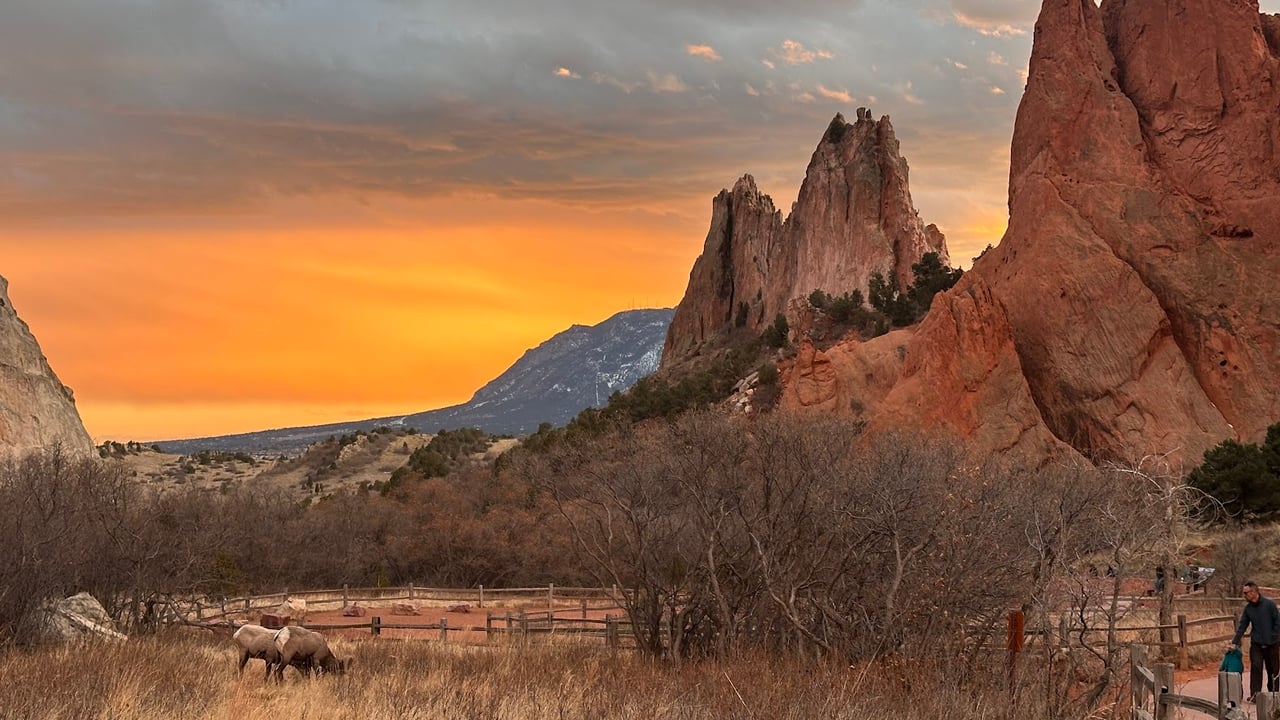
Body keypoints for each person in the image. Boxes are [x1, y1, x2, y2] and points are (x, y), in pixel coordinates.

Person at [1230, 581, 1280, 702]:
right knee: (1256, 668)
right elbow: (1243, 626)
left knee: (1273, 670)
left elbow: (1278, 623)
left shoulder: (1269, 605)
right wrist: (1234, 642)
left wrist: (1274, 637)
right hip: (1257, 644)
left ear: (1253, 592)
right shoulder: (1248, 609)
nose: (1244, 595)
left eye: (1246, 593)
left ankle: (1274, 694)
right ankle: (1255, 695)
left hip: (1272, 644)